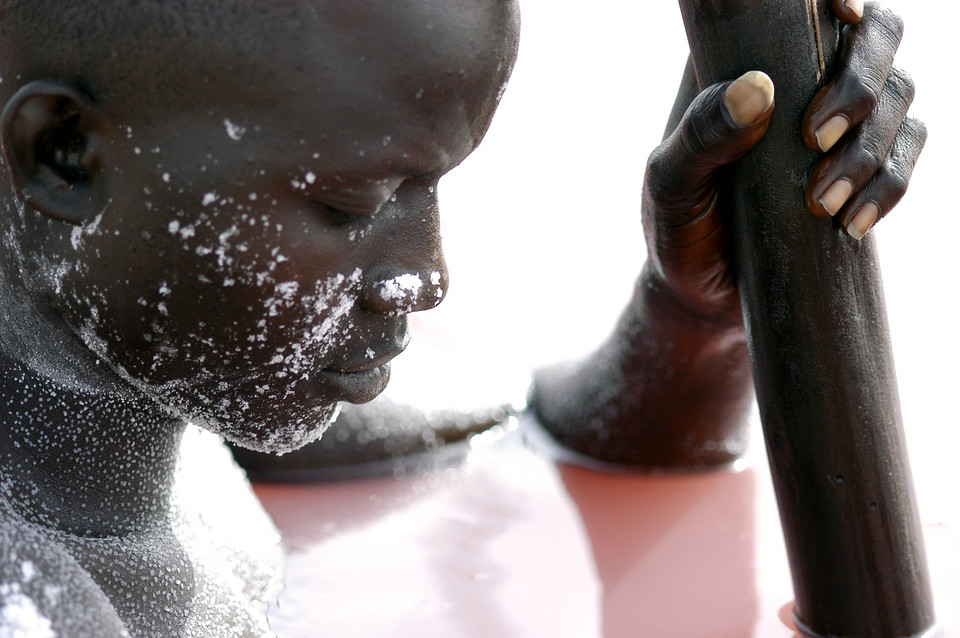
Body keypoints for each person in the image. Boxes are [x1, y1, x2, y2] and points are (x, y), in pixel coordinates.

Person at [0, 1, 921, 637]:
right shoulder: (30, 605)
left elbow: (519, 438)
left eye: (431, 186)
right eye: (355, 204)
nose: (428, 278)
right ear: (65, 153)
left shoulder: (173, 410)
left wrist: (699, 311)